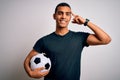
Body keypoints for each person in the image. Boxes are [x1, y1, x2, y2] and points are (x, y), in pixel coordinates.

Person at [24, 2, 111, 80]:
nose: (63, 16)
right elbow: (27, 60)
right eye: (60, 13)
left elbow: (106, 39)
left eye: (67, 14)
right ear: (54, 16)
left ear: (70, 17)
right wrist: (30, 73)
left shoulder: (80, 37)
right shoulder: (44, 41)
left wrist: (85, 22)